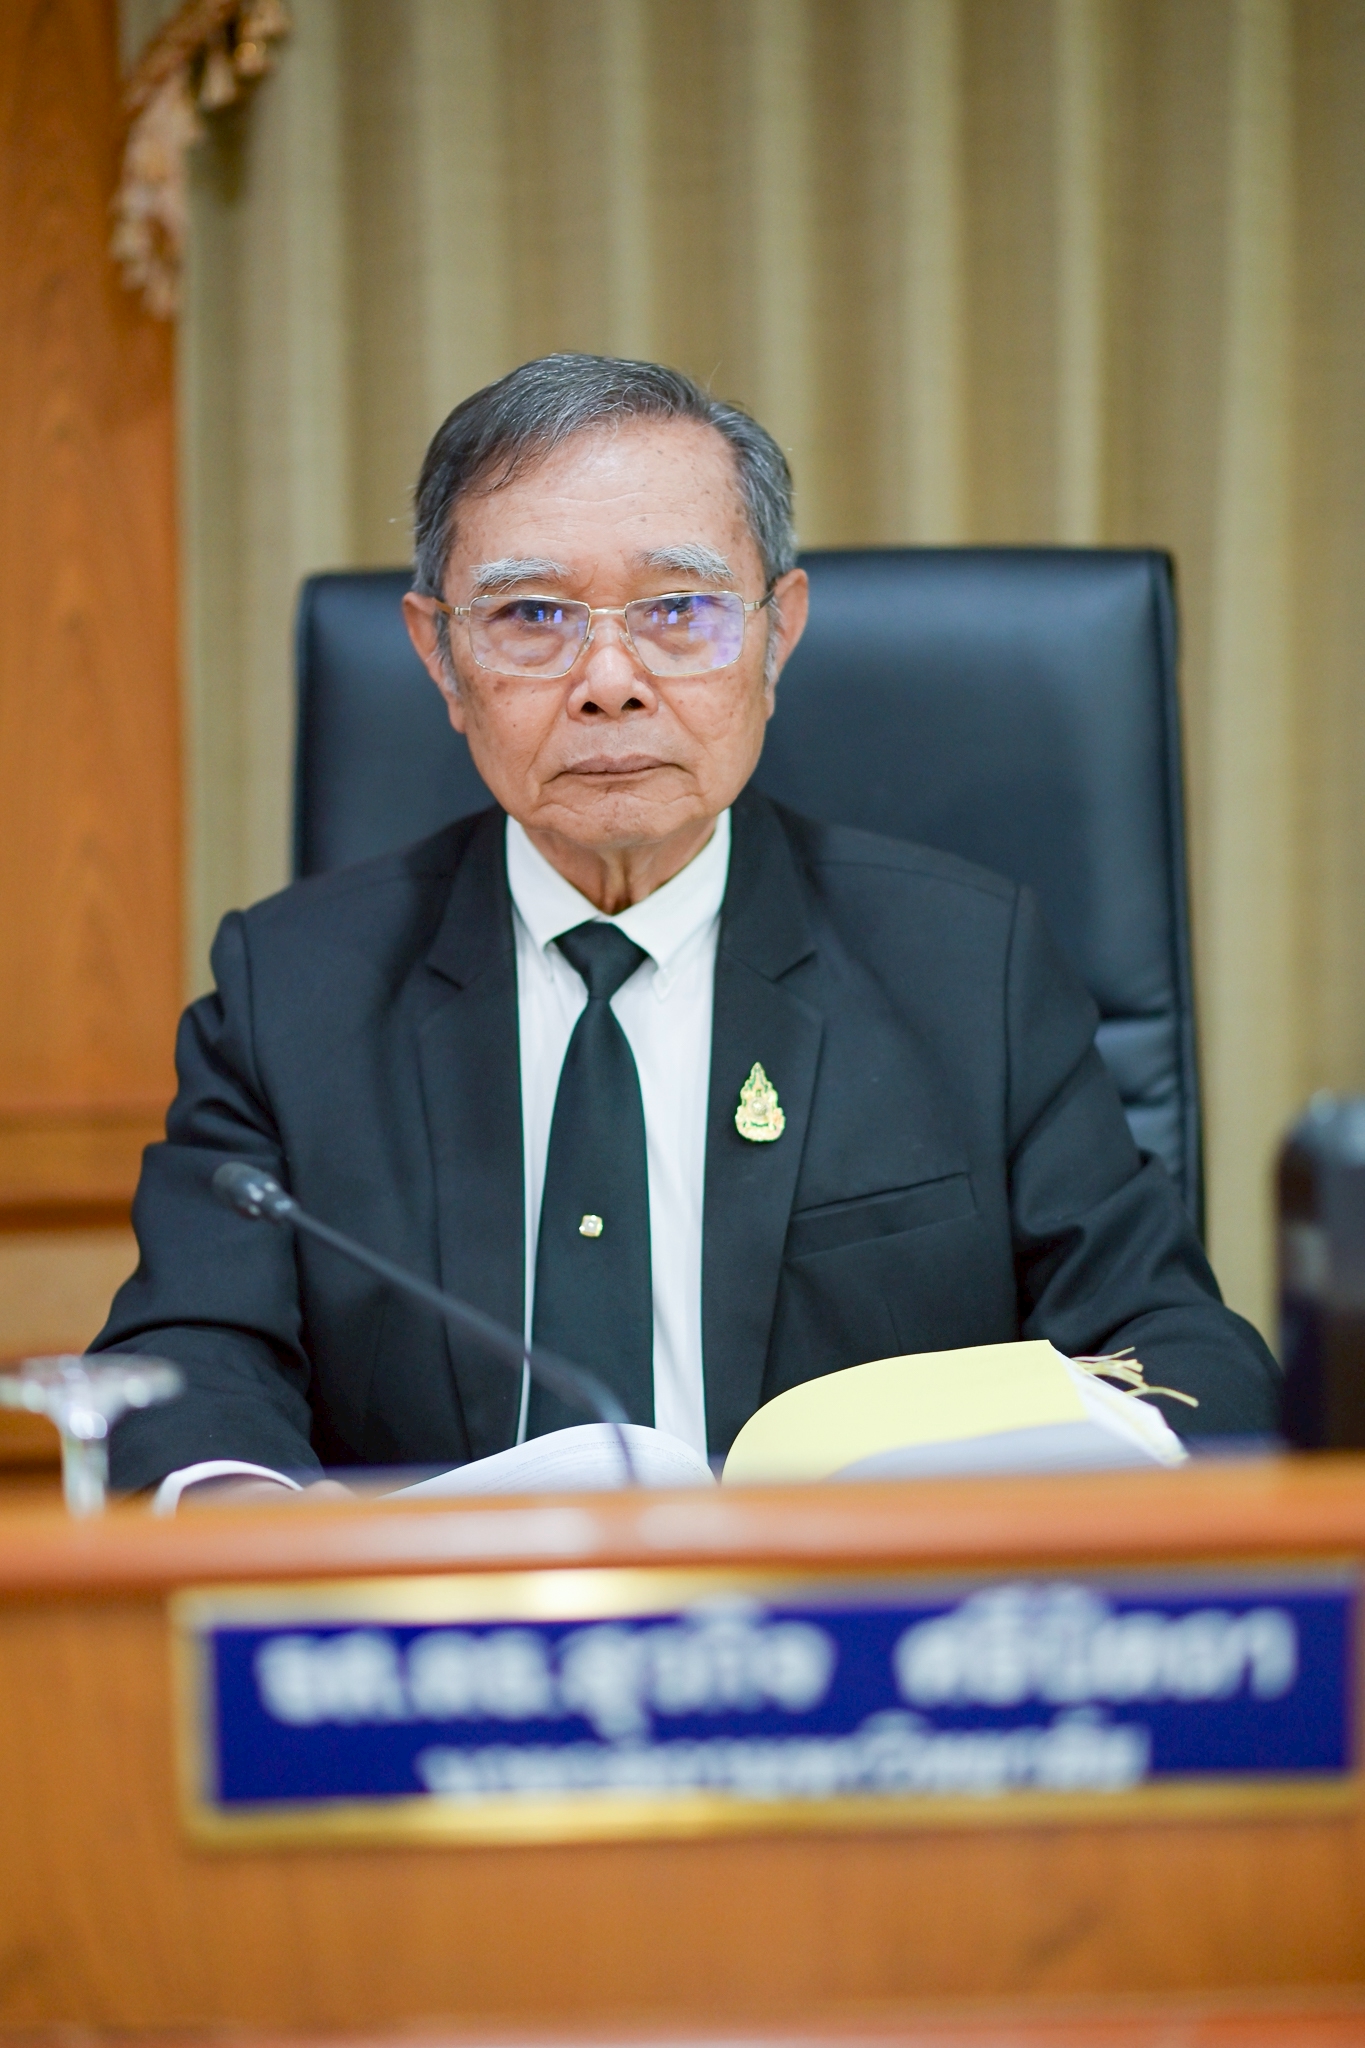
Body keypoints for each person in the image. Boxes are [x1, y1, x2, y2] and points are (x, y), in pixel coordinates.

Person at [93, 353, 1279, 1502]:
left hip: (863, 1617)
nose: (609, 679)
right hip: (452, 1625)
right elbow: (189, 1356)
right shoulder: (292, 992)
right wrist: (254, 1514)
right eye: (532, 614)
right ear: (440, 655)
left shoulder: (970, 969)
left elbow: (1180, 1349)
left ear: (778, 632)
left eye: (679, 609)